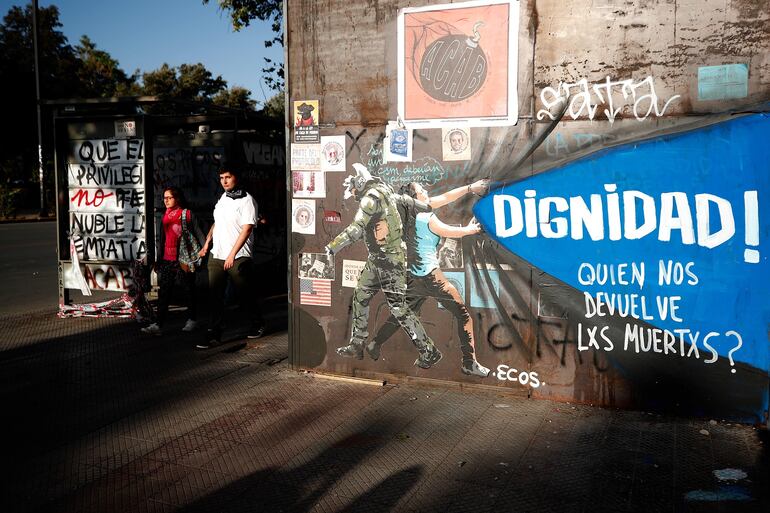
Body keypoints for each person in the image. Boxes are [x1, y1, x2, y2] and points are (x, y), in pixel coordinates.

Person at [324, 163, 442, 369]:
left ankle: (429, 350)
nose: (353, 194)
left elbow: (356, 229)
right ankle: (358, 343)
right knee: (361, 297)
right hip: (380, 258)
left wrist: (332, 248)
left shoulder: (371, 199)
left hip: (389, 260)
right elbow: (411, 203)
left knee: (398, 308)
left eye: (353, 190)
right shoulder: (384, 192)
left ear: (359, 183)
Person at [368, 180, 491, 377]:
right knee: (463, 314)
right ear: (415, 198)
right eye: (421, 191)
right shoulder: (426, 217)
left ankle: (375, 343)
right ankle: (469, 362)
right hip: (432, 277)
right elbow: (448, 231)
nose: (426, 191)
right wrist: (471, 230)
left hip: (413, 276)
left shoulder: (403, 216)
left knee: (403, 314)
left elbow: (445, 197)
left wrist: (470, 188)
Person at [196, 167, 264, 348]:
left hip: (239, 256)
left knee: (244, 293)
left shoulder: (247, 200)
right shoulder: (223, 198)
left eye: (228, 177)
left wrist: (232, 254)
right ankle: (214, 333)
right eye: (221, 178)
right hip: (217, 254)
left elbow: (247, 228)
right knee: (215, 295)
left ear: (236, 178)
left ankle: (257, 322)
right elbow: (217, 223)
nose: (224, 181)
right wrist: (206, 244)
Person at [141, 187, 203, 336]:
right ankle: (158, 324)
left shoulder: (187, 214)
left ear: (178, 199)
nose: (166, 200)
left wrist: (202, 252)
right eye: (164, 198)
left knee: (189, 290)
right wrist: (159, 259)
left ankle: (192, 319)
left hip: (184, 260)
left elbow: (199, 233)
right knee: (164, 293)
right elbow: (162, 239)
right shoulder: (165, 216)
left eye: (169, 197)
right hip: (168, 260)